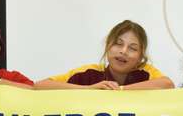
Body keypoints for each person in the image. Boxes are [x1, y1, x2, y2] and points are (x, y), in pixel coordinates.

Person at [34, 20, 173, 90]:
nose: (123, 51)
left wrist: (120, 90)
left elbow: (167, 84)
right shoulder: (89, 73)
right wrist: (89, 89)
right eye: (118, 44)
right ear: (108, 46)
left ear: (140, 57)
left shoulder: (146, 73)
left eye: (132, 48)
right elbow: (41, 85)